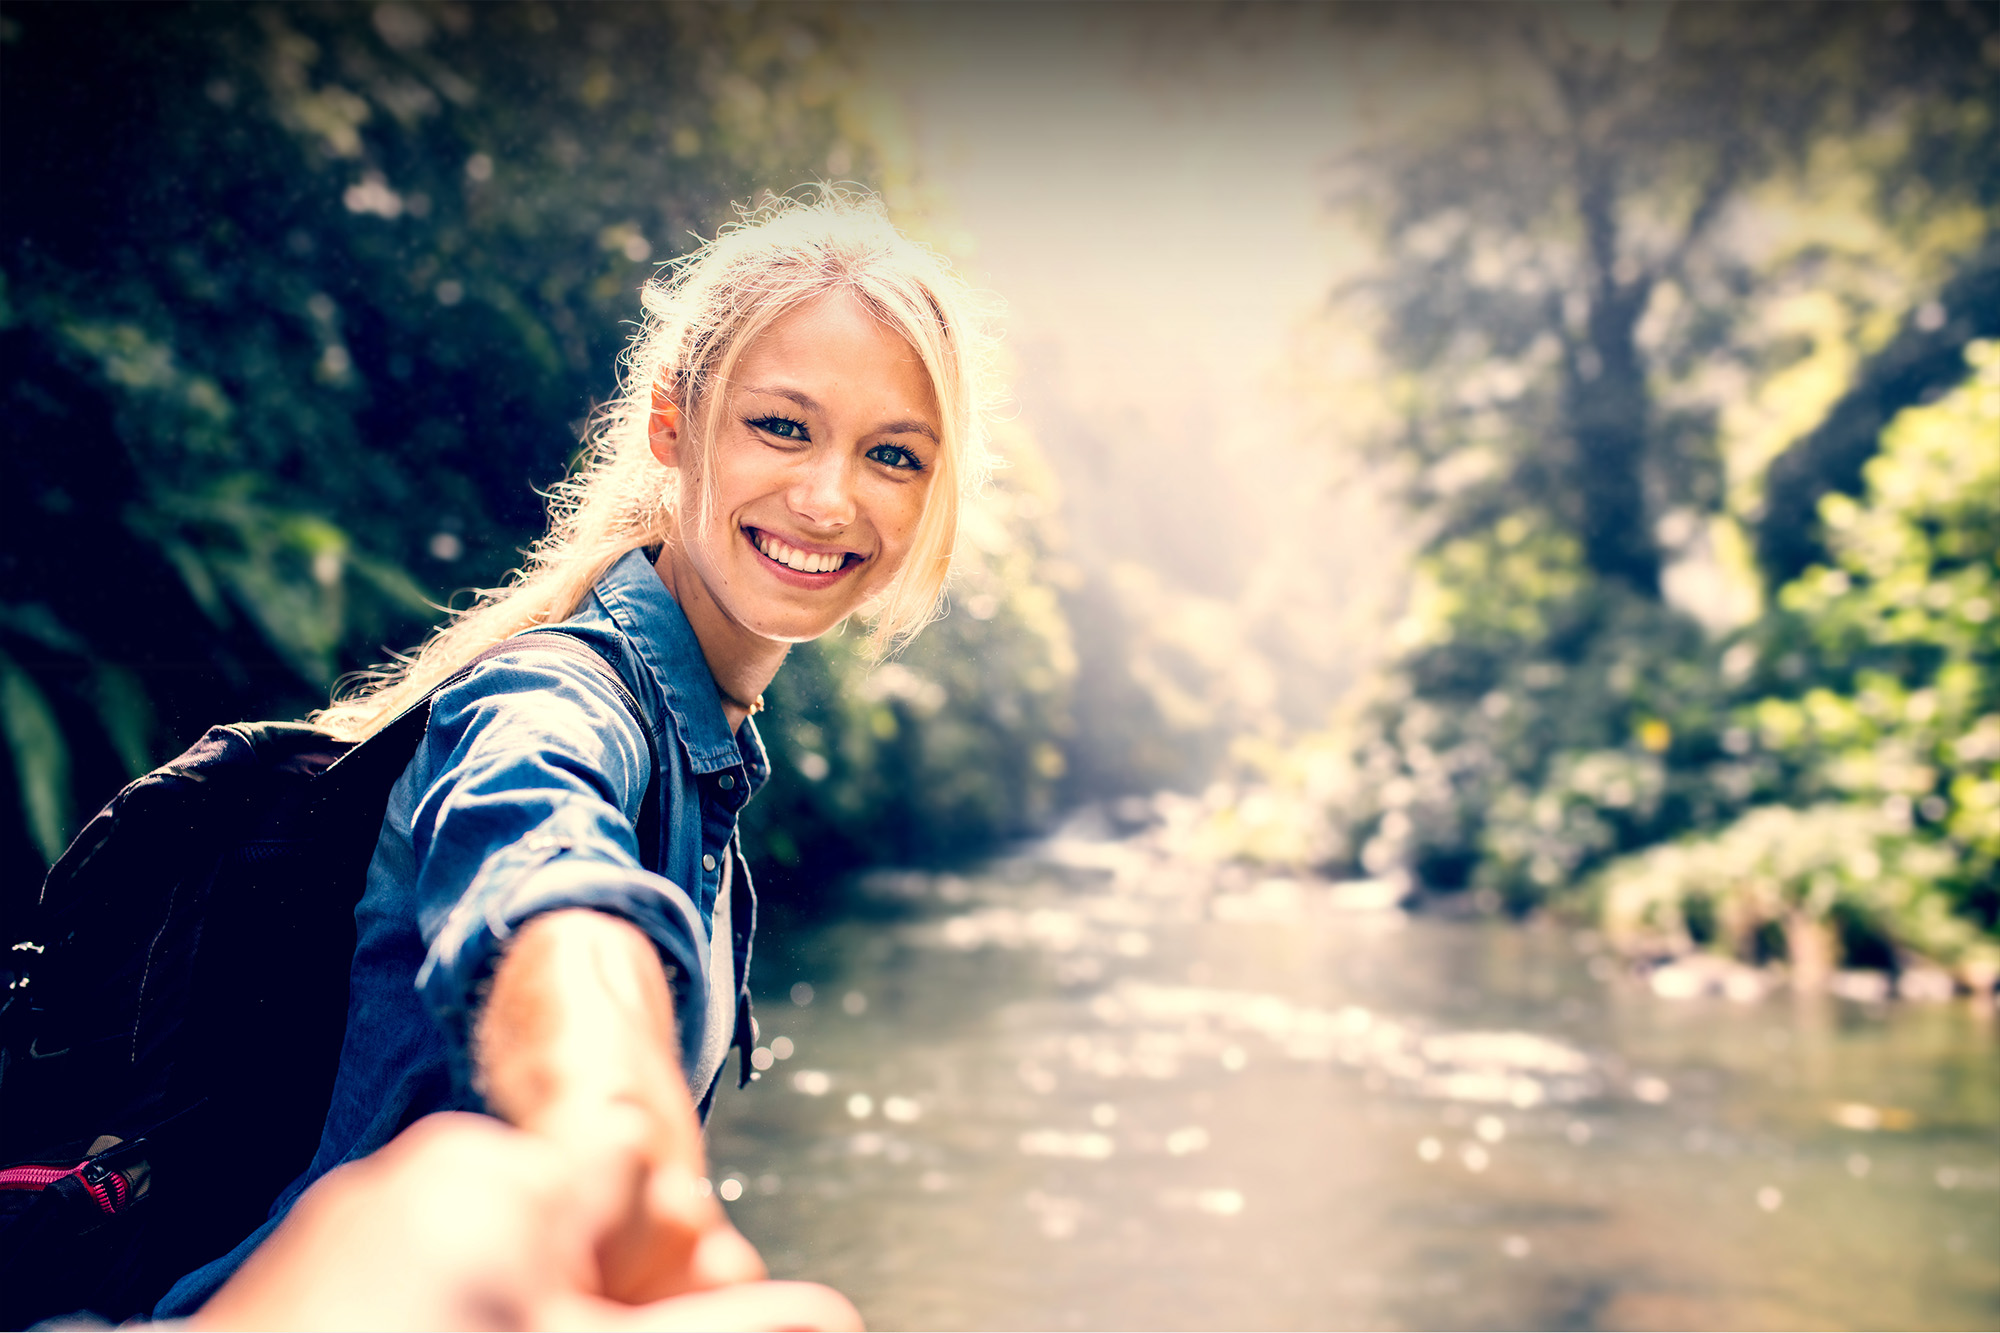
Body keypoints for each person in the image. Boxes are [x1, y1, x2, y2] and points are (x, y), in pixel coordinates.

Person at [150, 188, 996, 1319]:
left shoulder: (711, 759)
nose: (828, 495)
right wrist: (611, 1114)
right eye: (782, 425)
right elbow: (545, 882)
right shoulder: (550, 691)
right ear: (671, 427)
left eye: (891, 454)